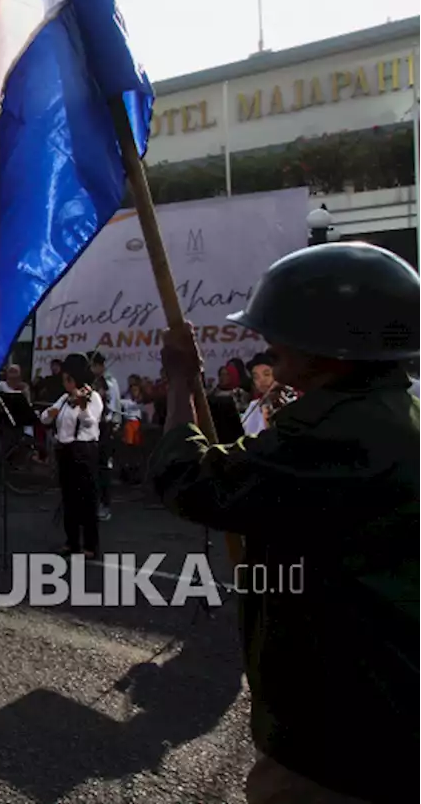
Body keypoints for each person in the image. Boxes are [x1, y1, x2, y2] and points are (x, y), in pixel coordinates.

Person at [151, 241, 421, 804]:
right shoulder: (391, 412)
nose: (267, 344)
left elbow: (189, 481)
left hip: (342, 742)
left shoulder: (337, 432)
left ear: (333, 349)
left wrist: (177, 381)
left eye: (282, 331)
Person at [39, 353, 105, 557]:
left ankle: (90, 545)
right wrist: (50, 413)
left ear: (72, 378)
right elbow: (45, 419)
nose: (64, 383)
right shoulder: (64, 399)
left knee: (87, 499)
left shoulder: (92, 397)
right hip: (65, 451)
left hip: (84, 451)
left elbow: (91, 423)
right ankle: (72, 541)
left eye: (66, 379)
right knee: (69, 499)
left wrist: (83, 407)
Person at [89, 353, 122, 521]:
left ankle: (105, 504)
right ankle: (92, 503)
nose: (91, 370)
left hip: (105, 428)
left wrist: (116, 423)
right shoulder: (91, 383)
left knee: (103, 468)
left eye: (93, 366)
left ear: (100, 366)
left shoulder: (110, 383)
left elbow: (113, 404)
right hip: (92, 428)